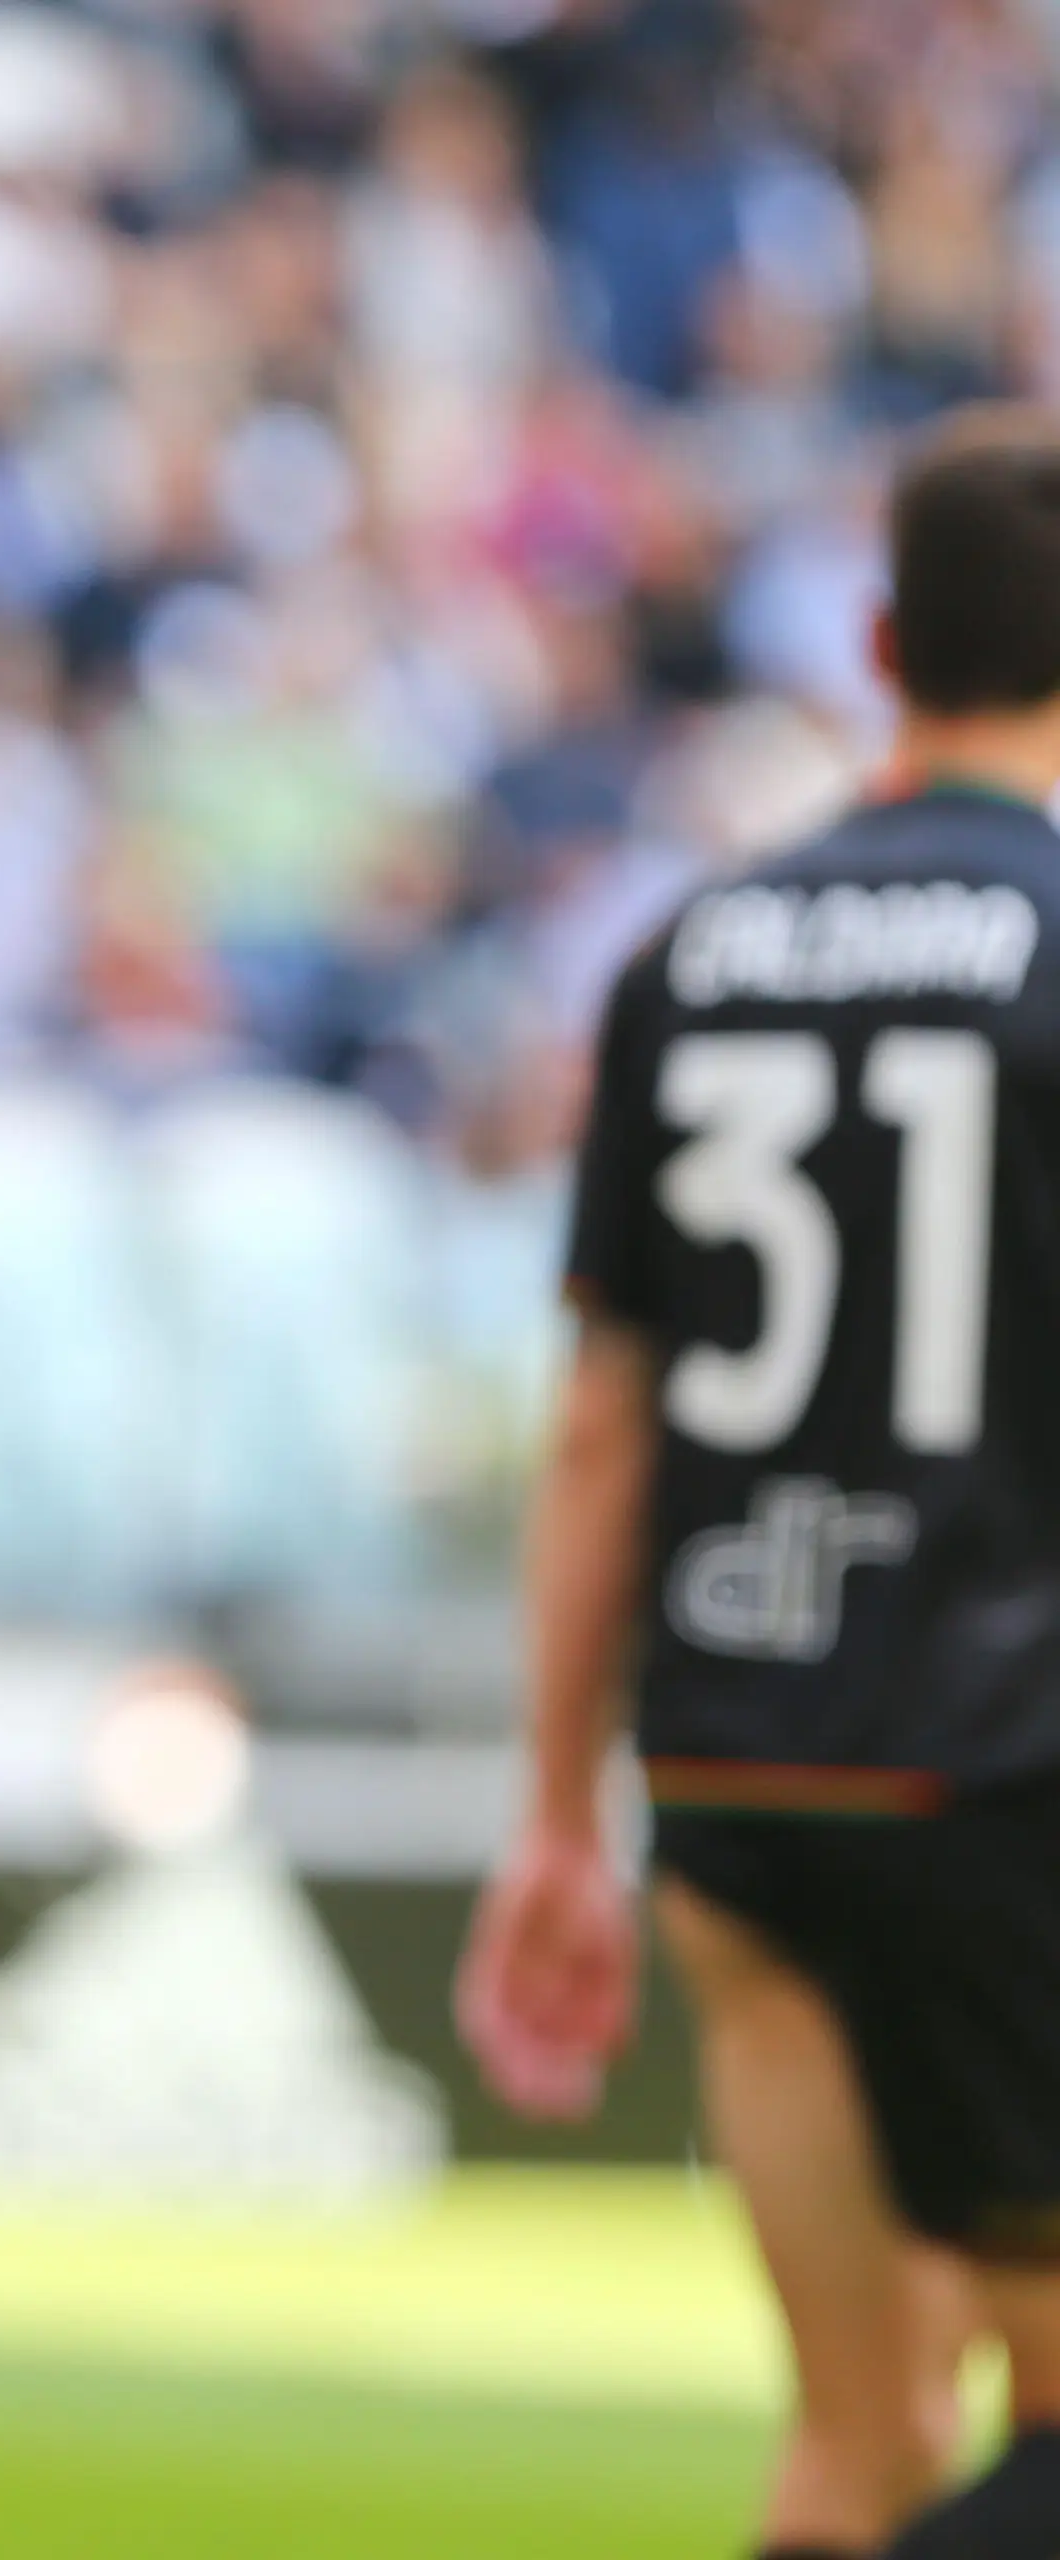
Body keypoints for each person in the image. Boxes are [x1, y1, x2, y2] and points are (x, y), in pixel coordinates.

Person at [458, 408, 1060, 2560]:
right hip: (1009, 1773)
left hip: (744, 1779)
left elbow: (605, 1416)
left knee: (861, 2427)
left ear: (885, 644)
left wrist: (553, 1811)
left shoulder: (689, 950)